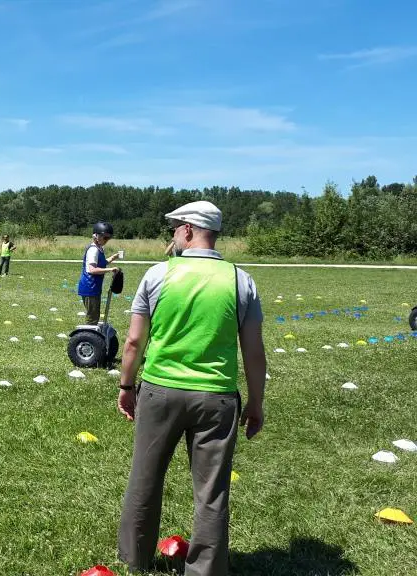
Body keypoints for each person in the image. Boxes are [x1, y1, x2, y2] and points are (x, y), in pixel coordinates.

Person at [116, 201, 267, 576]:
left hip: (160, 391)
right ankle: (206, 570)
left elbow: (134, 342)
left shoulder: (156, 275)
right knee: (211, 492)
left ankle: (136, 559)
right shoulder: (240, 280)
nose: (173, 237)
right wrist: (256, 402)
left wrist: (126, 384)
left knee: (145, 479)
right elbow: (253, 351)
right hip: (216, 398)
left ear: (186, 230)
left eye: (174, 230)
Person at [77, 222, 121, 324]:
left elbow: (102, 263)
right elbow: (92, 269)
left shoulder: (99, 249)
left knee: (95, 315)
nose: (106, 240)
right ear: (96, 236)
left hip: (94, 287)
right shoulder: (93, 250)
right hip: (89, 287)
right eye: (104, 237)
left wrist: (114, 257)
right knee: (92, 317)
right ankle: (87, 338)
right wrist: (110, 270)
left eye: (108, 238)